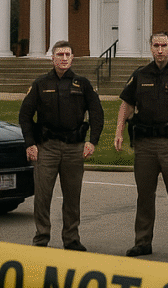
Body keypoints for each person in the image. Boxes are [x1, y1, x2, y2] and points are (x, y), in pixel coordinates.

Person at [114, 32, 168, 259]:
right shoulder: (140, 74)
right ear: (151, 48)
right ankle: (142, 242)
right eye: (156, 45)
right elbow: (126, 105)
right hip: (145, 146)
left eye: (164, 45)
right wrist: (119, 132)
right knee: (144, 195)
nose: (160, 50)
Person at [18, 40, 104, 251]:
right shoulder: (40, 84)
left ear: (72, 58)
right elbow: (25, 115)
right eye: (60, 55)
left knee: (72, 196)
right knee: (43, 195)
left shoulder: (83, 84)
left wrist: (92, 141)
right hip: (47, 147)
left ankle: (71, 239)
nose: (64, 58)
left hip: (74, 148)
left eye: (67, 54)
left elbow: (97, 113)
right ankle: (41, 237)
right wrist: (30, 144)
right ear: (52, 58)